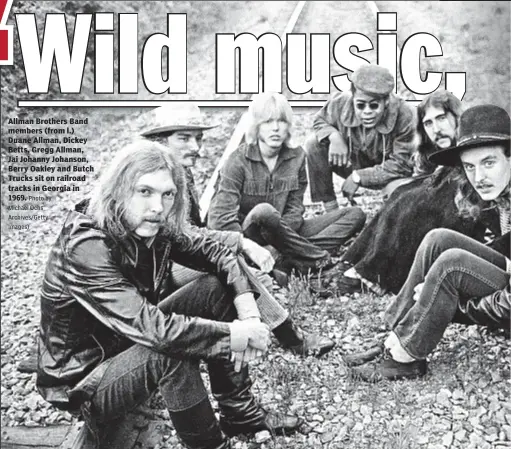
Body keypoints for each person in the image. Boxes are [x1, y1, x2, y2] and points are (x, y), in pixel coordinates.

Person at [36, 140, 302, 449]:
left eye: (168, 194)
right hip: (84, 379)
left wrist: (250, 315)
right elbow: (155, 331)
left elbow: (216, 252)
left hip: (125, 340)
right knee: (170, 353)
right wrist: (236, 335)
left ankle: (239, 413)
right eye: (144, 191)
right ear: (118, 190)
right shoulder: (85, 247)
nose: (158, 206)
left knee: (215, 288)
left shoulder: (151, 221)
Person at [140, 104, 335, 357]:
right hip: (157, 278)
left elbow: (192, 234)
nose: (196, 148)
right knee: (226, 259)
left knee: (226, 260)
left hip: (171, 263)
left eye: (198, 138)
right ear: (160, 142)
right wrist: (241, 242)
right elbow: (183, 235)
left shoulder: (180, 174)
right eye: (184, 138)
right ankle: (290, 336)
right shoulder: (151, 181)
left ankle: (257, 322)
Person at [346, 104, 510, 382]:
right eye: (470, 166)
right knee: (439, 240)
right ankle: (395, 336)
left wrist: (447, 305)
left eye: (489, 162)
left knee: (451, 264)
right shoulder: (500, 197)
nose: (478, 177)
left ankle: (406, 357)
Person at [332, 90, 490, 295]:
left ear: (457, 117)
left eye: (441, 118)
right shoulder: (438, 154)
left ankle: (372, 275)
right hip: (448, 200)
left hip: (467, 216)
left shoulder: (473, 148)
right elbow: (422, 173)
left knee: (417, 203)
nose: (436, 129)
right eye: (429, 123)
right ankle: (353, 262)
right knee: (402, 194)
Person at [207, 92, 366, 275]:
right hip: (249, 237)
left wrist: (280, 241)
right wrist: (250, 248)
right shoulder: (237, 161)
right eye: (267, 122)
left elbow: (295, 210)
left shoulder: (296, 157)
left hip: (285, 233)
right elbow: (219, 220)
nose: (275, 128)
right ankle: (320, 261)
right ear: (257, 127)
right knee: (264, 211)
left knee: (354, 215)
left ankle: (285, 260)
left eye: (281, 121)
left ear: (288, 126)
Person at [304, 64, 416, 211]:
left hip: (389, 173)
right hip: (350, 162)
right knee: (313, 143)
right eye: (360, 105)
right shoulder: (340, 102)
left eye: (374, 106)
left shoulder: (405, 115)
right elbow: (319, 121)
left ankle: (388, 218)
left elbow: (401, 164)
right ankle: (331, 210)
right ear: (353, 98)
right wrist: (334, 136)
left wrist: (359, 176)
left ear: (386, 101)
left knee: (398, 193)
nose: (367, 112)